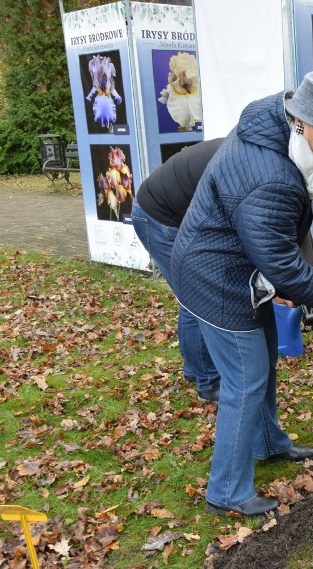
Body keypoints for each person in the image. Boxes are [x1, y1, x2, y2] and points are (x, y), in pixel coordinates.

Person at [171, 70, 313, 517]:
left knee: (265, 358)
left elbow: (278, 243)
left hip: (237, 266)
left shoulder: (273, 122)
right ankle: (228, 492)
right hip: (216, 277)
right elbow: (279, 262)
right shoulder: (270, 176)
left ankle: (268, 444)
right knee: (245, 380)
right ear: (300, 120)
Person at [131, 139, 224, 403]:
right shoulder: (244, 160)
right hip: (158, 219)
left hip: (166, 210)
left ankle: (195, 369)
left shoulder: (244, 147)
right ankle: (208, 382)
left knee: (190, 298)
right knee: (197, 299)